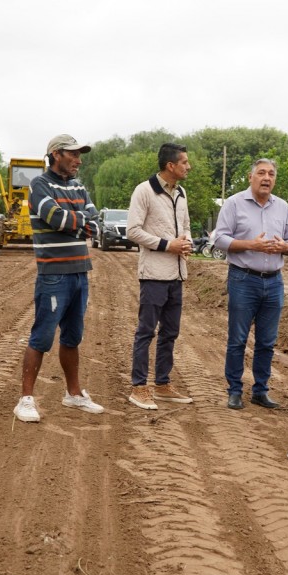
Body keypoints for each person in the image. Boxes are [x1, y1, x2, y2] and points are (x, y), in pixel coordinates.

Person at [13, 134, 104, 422]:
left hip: (80, 272)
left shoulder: (79, 185)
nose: (79, 160)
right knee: (41, 337)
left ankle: (73, 394)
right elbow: (55, 218)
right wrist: (80, 223)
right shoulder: (38, 184)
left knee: (73, 337)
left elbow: (96, 224)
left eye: (80, 155)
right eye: (73, 155)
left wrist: (75, 223)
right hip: (53, 274)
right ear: (56, 154)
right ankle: (25, 400)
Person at [211, 158, 288, 410]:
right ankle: (235, 390)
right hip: (243, 279)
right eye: (261, 173)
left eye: (271, 174)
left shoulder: (282, 207)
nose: (266, 178)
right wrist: (251, 244)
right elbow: (219, 239)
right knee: (237, 339)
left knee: (267, 342)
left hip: (274, 282)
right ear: (251, 177)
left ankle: (260, 390)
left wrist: (286, 247)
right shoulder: (234, 203)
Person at [126, 143, 194, 410]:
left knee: (170, 333)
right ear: (171, 166)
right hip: (154, 274)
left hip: (176, 274)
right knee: (146, 332)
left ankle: (163, 385)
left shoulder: (181, 192)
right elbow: (133, 231)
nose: (188, 167)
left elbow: (185, 226)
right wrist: (168, 245)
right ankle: (139, 387)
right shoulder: (144, 191)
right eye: (185, 162)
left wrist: (186, 242)